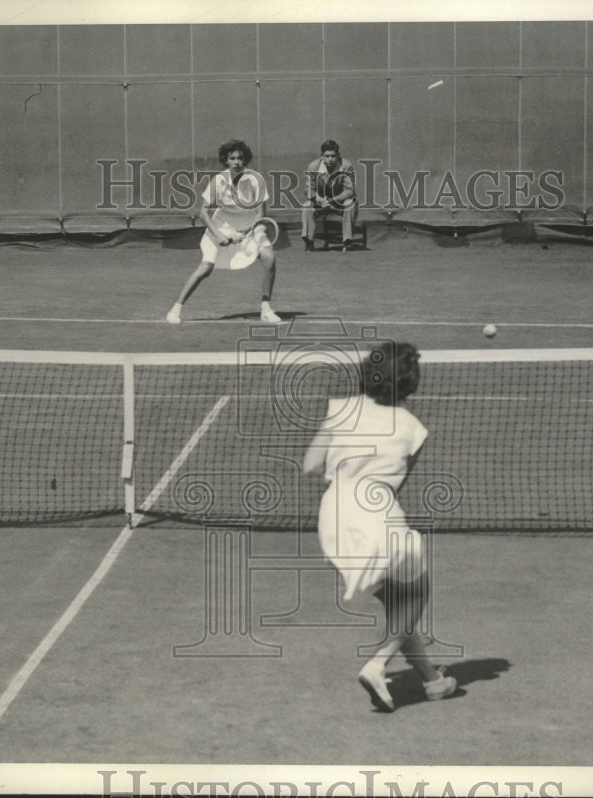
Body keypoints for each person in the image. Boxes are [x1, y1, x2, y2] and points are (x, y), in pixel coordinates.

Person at [303, 342, 457, 712]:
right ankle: (377, 664)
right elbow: (396, 485)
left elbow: (310, 465)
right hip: (375, 513)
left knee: (397, 600)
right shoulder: (414, 429)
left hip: (333, 518)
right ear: (409, 384)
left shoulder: (340, 409)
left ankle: (432, 681)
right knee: (417, 590)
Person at [167, 139, 279, 324]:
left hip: (250, 227)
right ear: (226, 161)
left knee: (269, 257)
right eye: (232, 158)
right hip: (220, 227)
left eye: (240, 158)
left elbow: (261, 213)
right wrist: (219, 235)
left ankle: (266, 309)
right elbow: (203, 213)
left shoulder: (255, 180)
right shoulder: (218, 181)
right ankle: (175, 309)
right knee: (206, 267)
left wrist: (249, 231)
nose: (237, 162)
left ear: (245, 160)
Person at [300, 139, 359, 251]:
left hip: (339, 203)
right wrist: (318, 198)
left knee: (351, 203)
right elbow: (308, 189)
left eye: (333, 156)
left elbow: (350, 191)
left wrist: (333, 200)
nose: (330, 159)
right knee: (307, 206)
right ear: (322, 156)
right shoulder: (313, 167)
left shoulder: (346, 166)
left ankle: (347, 242)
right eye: (327, 156)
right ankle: (309, 242)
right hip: (320, 203)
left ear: (338, 155)